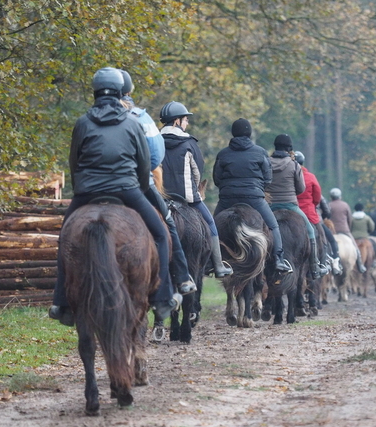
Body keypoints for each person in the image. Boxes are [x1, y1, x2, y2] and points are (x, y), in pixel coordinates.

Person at [49, 67, 181, 326]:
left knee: (65, 237)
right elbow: (144, 164)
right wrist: (139, 187)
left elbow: (74, 162)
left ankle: (62, 302)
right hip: (126, 190)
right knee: (160, 234)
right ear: (122, 92)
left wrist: (81, 190)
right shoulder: (133, 123)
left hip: (88, 191)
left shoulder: (83, 122)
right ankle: (163, 297)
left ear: (95, 92)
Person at [120, 71, 196, 294]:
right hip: (134, 186)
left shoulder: (89, 117)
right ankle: (178, 280)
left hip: (94, 188)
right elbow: (155, 156)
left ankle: (62, 298)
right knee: (167, 227)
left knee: (68, 230)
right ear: (129, 90)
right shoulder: (141, 117)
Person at [159, 101, 233, 278]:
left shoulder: (153, 140)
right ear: (176, 121)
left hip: (159, 198)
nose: (187, 124)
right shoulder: (189, 143)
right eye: (185, 120)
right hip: (188, 198)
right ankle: (218, 265)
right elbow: (197, 173)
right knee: (210, 224)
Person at [212, 118, 293, 273]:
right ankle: (278, 260)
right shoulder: (261, 152)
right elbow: (267, 179)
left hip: (228, 198)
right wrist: (256, 188)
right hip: (254, 198)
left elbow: (217, 179)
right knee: (273, 225)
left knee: (212, 227)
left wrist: (228, 188)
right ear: (249, 133)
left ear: (233, 133)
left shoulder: (223, 153)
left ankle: (211, 261)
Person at [267, 135, 328, 279]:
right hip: (290, 205)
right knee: (311, 232)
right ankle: (314, 266)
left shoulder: (266, 162)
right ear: (289, 148)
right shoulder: (294, 164)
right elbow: (300, 188)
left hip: (270, 206)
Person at [295, 151, 341, 276]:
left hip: (290, 210)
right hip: (309, 214)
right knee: (324, 237)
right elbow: (317, 197)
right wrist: (312, 206)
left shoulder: (288, 175)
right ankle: (320, 263)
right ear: (303, 162)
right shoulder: (310, 177)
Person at [328, 188, 367, 273]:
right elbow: (350, 219)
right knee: (354, 246)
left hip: (332, 231)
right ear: (340, 196)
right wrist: (348, 228)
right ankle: (360, 264)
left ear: (331, 197)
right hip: (344, 230)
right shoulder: (345, 205)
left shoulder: (329, 205)